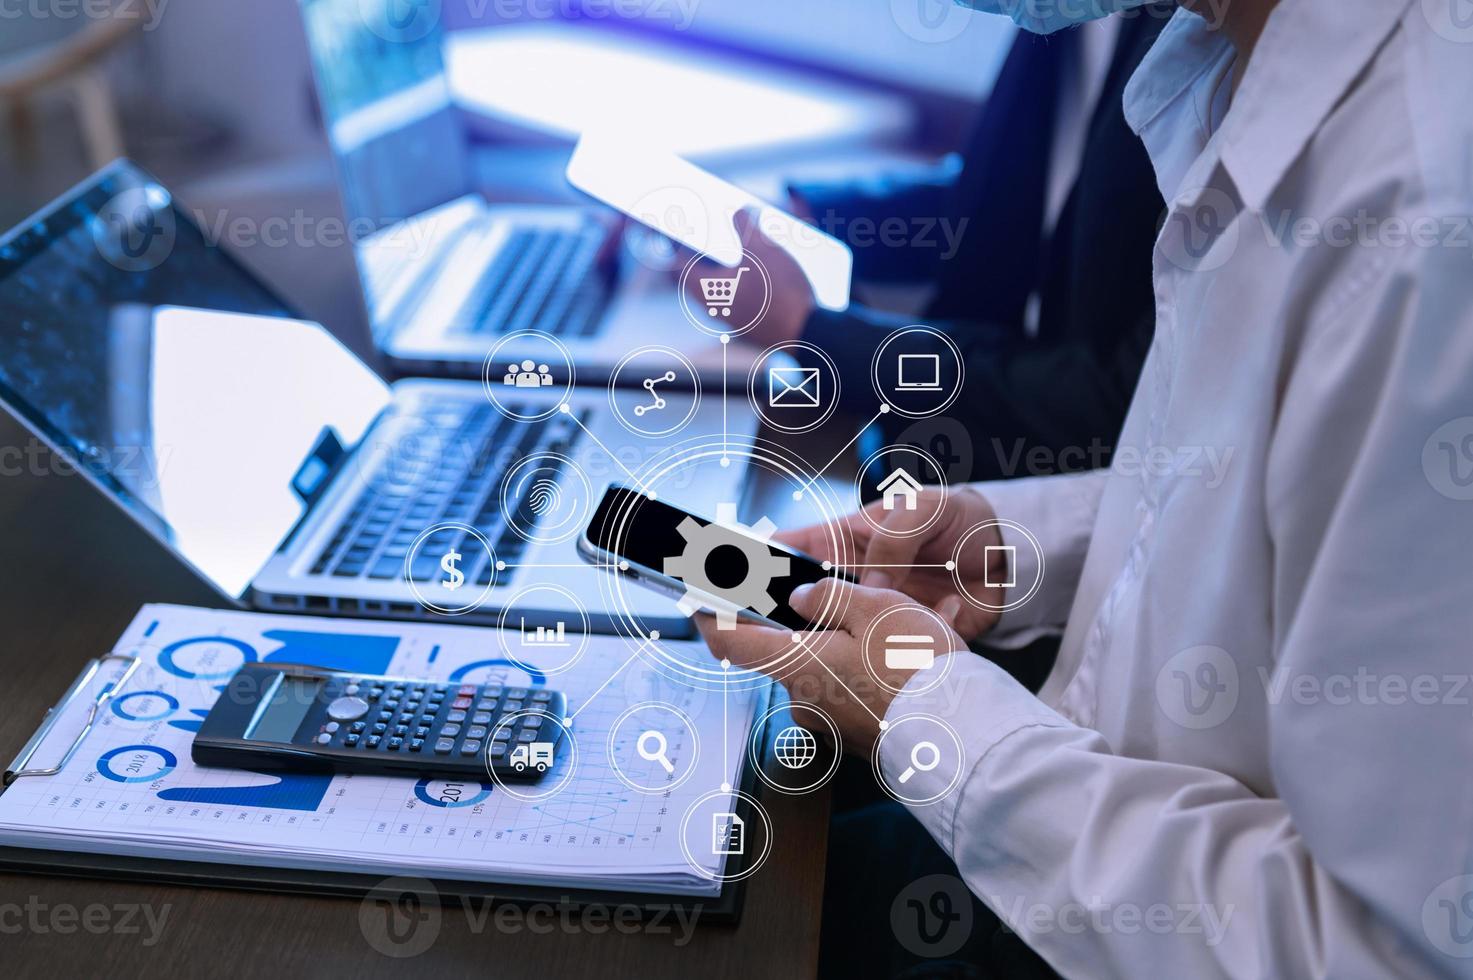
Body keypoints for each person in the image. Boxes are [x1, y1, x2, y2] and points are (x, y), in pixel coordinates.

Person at [703, 0, 1473, 975]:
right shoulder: (1232, 69)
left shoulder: (1424, 216)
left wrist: (929, 712)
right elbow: (1260, 483)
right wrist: (1019, 542)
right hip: (1103, 829)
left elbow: (1377, 951)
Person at [703, 7, 1174, 482]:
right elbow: (1018, 196)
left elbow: (1117, 403)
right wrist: (812, 220)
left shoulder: (1204, 49)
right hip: (937, 455)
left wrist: (812, 331)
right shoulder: (1065, 17)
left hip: (1044, 493)